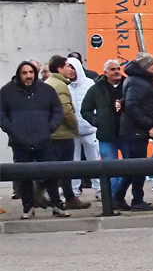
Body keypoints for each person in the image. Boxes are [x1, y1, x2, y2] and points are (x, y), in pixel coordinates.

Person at [0, 60, 65, 218]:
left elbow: (57, 110)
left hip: (44, 140)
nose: (28, 76)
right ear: (19, 74)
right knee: (24, 177)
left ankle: (57, 205)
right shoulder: (7, 91)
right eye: (24, 73)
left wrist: (49, 128)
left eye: (31, 72)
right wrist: (13, 130)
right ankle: (28, 207)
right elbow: (1, 115)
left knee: (51, 174)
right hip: (20, 143)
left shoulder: (47, 90)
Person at [80, 58, 131, 205]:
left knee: (130, 168)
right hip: (106, 136)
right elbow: (86, 110)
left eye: (118, 69)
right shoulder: (96, 89)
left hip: (126, 134)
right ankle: (112, 200)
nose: (117, 72)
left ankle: (116, 197)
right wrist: (97, 121)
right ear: (105, 72)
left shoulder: (127, 85)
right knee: (110, 169)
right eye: (113, 69)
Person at [44, 57, 90, 209]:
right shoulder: (60, 85)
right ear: (59, 69)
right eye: (67, 66)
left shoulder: (50, 83)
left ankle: (60, 195)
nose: (70, 69)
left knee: (57, 167)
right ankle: (68, 197)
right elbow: (66, 111)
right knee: (64, 168)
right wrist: (74, 127)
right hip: (62, 133)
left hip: (54, 132)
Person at [117, 55, 153, 210]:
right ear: (145, 66)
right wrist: (149, 125)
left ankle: (119, 198)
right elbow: (132, 106)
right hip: (135, 131)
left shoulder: (135, 79)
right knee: (136, 167)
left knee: (132, 167)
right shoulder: (137, 82)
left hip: (133, 130)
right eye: (152, 64)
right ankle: (135, 199)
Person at [66, 55, 100, 195]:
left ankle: (100, 189)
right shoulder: (65, 86)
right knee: (73, 164)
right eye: (69, 68)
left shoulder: (90, 84)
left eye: (73, 68)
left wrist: (95, 122)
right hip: (72, 131)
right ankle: (74, 191)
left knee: (95, 162)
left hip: (90, 130)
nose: (71, 71)